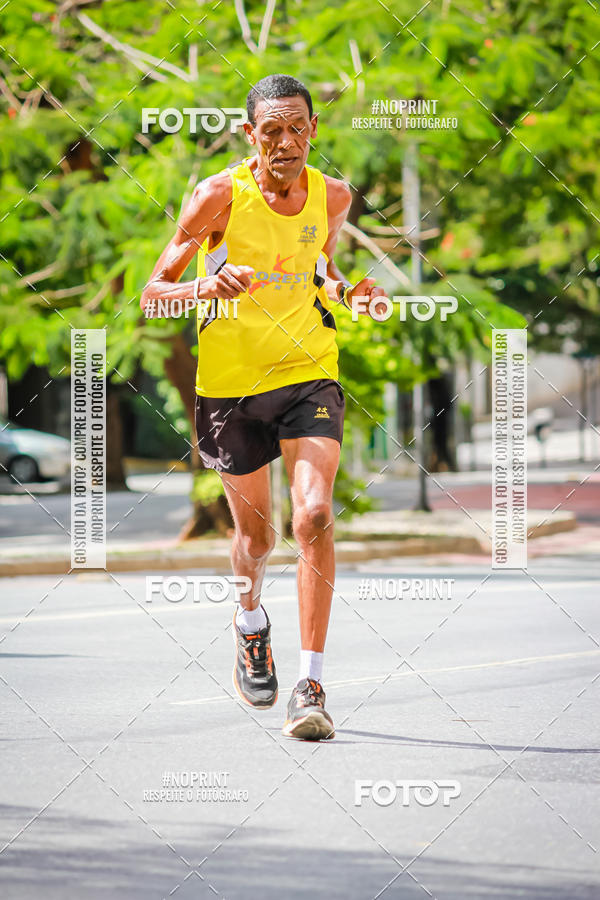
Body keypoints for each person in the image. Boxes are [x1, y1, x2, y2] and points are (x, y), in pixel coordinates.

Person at [142, 73, 385, 740]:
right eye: (270, 131)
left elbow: (322, 268)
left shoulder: (333, 196)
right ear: (250, 136)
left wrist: (348, 292)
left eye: (296, 129)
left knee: (312, 514)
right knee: (257, 537)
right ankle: (250, 623)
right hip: (230, 388)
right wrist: (204, 284)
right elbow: (151, 292)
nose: (284, 142)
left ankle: (309, 685)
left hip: (308, 371)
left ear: (313, 131)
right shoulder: (218, 195)